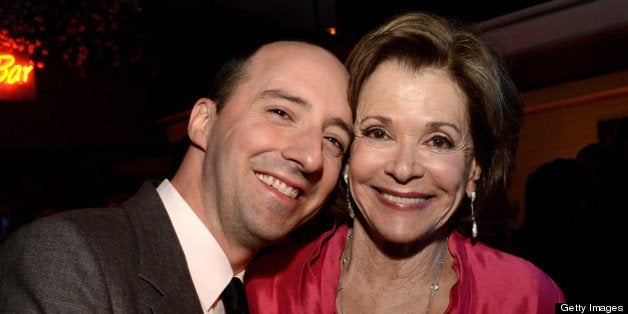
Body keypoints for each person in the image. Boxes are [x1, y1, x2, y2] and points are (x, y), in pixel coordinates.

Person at [244, 12, 565, 312]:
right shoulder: (264, 290)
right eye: (379, 133)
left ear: (473, 169)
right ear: (347, 153)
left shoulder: (527, 297)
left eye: (438, 141)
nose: (403, 168)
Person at [0, 40, 354, 312]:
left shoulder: (271, 297)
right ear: (202, 123)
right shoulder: (70, 257)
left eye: (333, 140)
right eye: (280, 112)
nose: (310, 157)